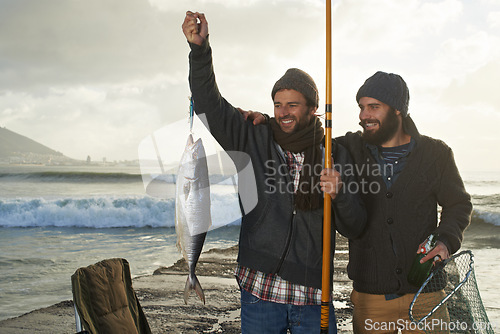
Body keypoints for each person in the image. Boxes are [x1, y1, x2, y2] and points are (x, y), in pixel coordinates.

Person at [242, 71, 473, 333]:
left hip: (426, 296)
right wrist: (268, 122)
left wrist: (445, 240)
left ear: (398, 110)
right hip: (371, 298)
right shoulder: (347, 148)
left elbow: (459, 205)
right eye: (362, 107)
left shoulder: (436, 154)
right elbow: (303, 133)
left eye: (373, 107)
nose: (364, 115)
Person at [182, 11, 366, 334]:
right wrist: (200, 49)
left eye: (292, 105)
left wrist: (341, 194)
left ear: (311, 109)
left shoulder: (335, 156)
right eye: (278, 104)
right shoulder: (253, 137)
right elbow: (208, 104)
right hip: (259, 292)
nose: (283, 113)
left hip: (313, 297)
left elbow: (355, 226)